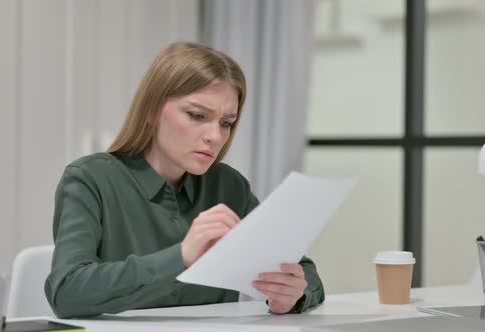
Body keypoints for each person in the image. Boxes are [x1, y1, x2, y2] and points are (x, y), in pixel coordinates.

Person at [44, 42, 325, 318]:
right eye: (197, 115)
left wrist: (294, 293)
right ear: (152, 110)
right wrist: (180, 257)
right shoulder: (90, 179)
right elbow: (67, 293)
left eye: (226, 123)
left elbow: (304, 270)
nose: (215, 136)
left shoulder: (229, 186)